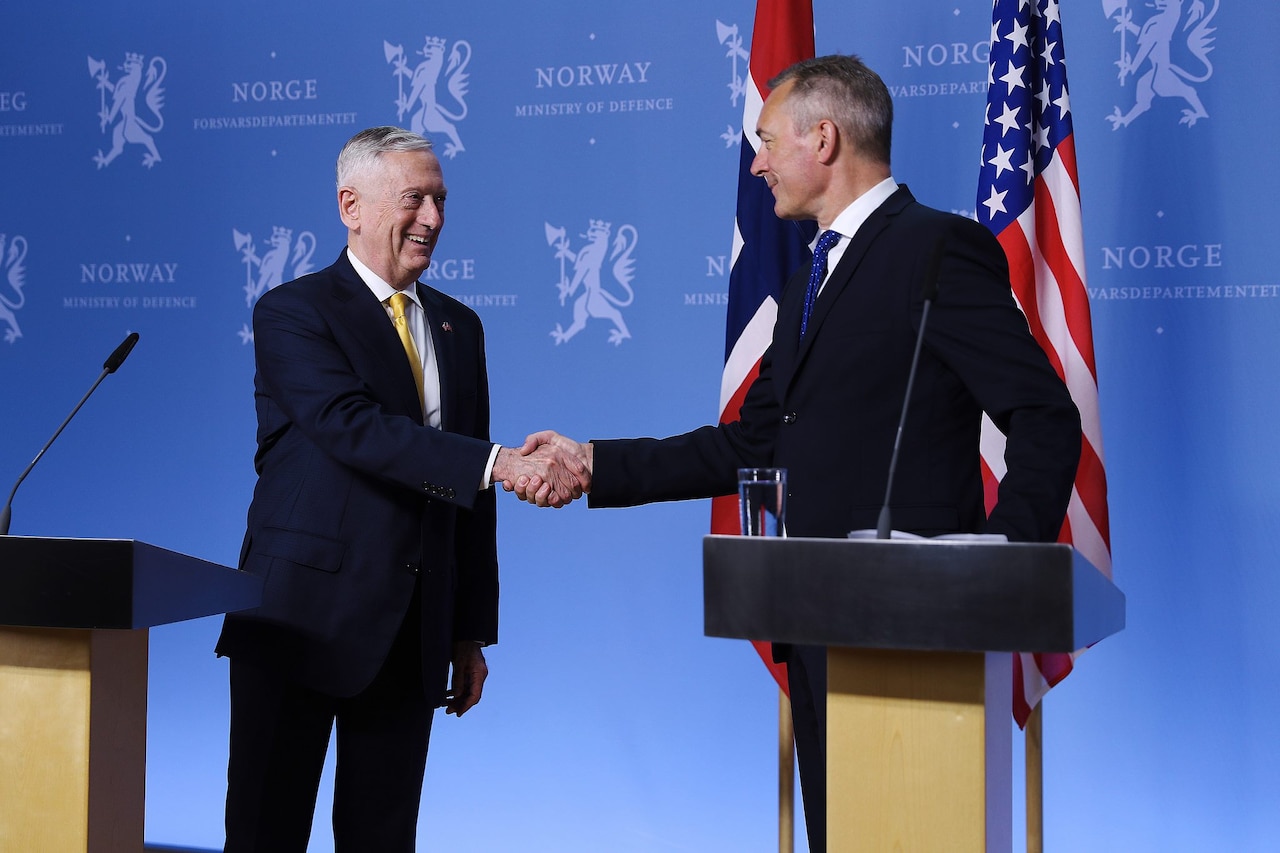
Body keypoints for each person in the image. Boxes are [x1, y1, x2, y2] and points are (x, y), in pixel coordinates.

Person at [511, 55, 1082, 852]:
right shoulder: (810, 275)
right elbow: (752, 440)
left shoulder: (938, 250)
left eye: (768, 141)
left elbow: (1045, 414)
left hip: (923, 629)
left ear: (824, 137)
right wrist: (592, 462)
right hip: (822, 622)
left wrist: (1002, 561)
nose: (757, 161)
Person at [216, 125, 587, 852]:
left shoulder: (460, 326)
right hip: (298, 619)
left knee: (382, 838)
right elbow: (353, 427)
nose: (434, 219)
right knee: (265, 831)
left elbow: (468, 500)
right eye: (414, 198)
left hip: (409, 631)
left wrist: (469, 628)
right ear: (350, 205)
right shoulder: (293, 312)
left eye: (441, 200)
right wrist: (500, 461)